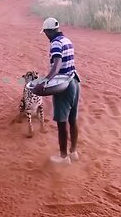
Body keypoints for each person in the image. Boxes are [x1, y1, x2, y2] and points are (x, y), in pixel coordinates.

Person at [33, 17, 81, 164]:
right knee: (73, 120)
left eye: (46, 32)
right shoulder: (67, 40)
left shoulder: (55, 43)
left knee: (61, 122)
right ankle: (73, 152)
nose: (46, 36)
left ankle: (63, 157)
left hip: (64, 86)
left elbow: (57, 64)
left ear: (49, 31)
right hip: (74, 81)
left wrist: (45, 81)